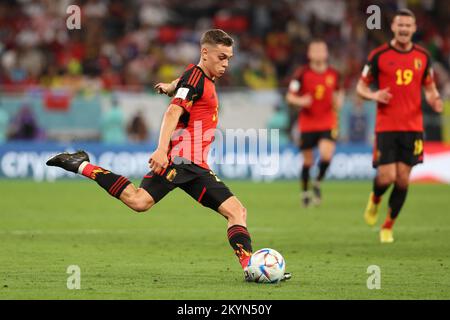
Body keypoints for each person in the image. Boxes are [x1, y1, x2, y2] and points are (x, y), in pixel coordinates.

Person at [46, 29, 290, 282]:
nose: (226, 64)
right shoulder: (196, 79)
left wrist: (170, 86)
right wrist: (162, 149)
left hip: (195, 164)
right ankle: (82, 166)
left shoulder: (196, 75)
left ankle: (250, 267)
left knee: (234, 211)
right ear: (205, 53)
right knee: (141, 202)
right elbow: (172, 113)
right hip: (181, 161)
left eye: (229, 58)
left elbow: (184, 82)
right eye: (221, 57)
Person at [356, 9, 443, 243]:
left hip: (413, 127)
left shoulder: (423, 57)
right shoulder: (379, 55)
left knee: (403, 179)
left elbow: (429, 86)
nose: (404, 29)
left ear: (414, 29)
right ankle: (375, 199)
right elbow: (360, 88)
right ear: (393, 27)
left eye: (408, 25)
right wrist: (374, 96)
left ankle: (387, 226)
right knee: (386, 177)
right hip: (386, 126)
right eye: (400, 25)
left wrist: (434, 98)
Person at [286, 39, 344, 207]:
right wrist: (301, 101)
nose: (319, 53)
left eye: (321, 50)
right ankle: (305, 191)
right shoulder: (301, 74)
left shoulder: (334, 74)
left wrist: (339, 100)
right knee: (308, 161)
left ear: (326, 53)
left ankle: (317, 182)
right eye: (315, 50)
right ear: (309, 54)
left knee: (326, 155)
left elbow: (340, 91)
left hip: (328, 120)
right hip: (308, 122)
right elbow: (290, 96)